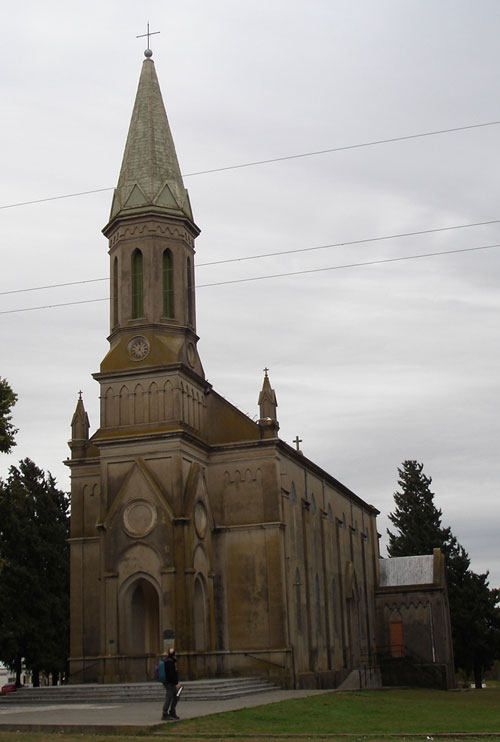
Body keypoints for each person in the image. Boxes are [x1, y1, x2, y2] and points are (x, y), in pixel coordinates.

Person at [161, 647, 180, 721]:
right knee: (169, 697)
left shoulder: (170, 661)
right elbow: (171, 674)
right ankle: (165, 713)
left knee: (177, 695)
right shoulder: (169, 662)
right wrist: (176, 683)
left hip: (169, 682)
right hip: (169, 683)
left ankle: (172, 711)